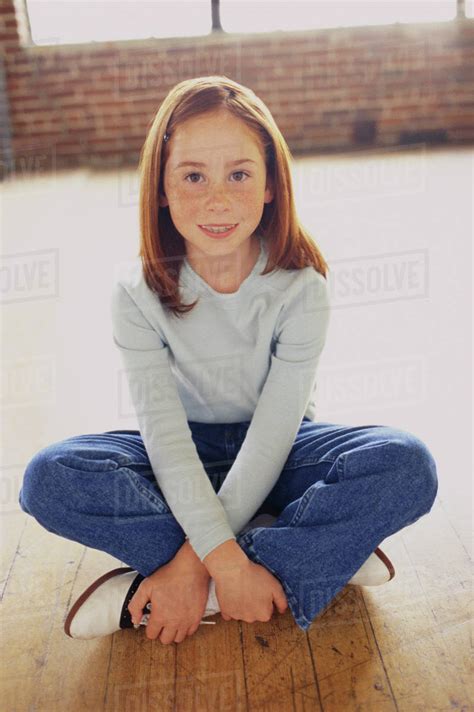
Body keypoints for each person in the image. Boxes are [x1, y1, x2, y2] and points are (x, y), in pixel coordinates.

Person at [18, 75, 438, 646]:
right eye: (193, 176)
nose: (217, 200)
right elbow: (165, 440)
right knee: (50, 479)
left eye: (239, 174)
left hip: (284, 451)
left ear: (270, 185)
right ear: (161, 189)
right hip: (183, 456)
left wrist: (202, 561)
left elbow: (272, 435)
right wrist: (229, 560)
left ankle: (189, 581)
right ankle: (297, 557)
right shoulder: (135, 293)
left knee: (407, 466)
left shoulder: (301, 287)